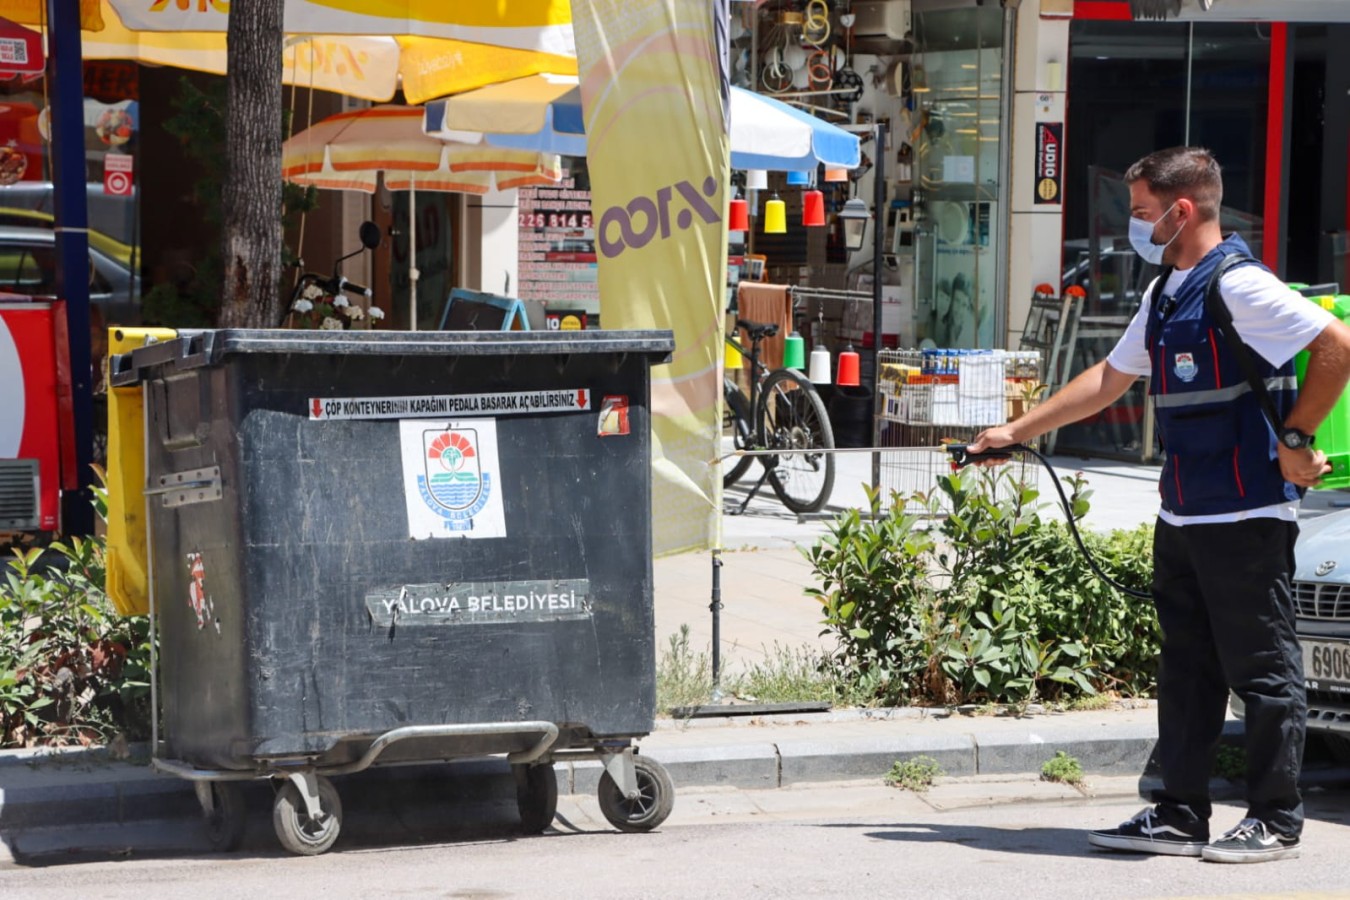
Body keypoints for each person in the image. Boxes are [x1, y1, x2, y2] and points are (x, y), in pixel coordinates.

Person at [970, 146, 1350, 864]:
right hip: (1183, 512)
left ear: (1181, 211)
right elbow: (1110, 379)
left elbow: (1337, 344)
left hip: (1245, 514)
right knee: (1188, 671)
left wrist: (1296, 436)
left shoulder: (1237, 285)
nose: (1132, 228)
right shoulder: (1168, 291)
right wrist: (1016, 431)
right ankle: (1177, 812)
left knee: (1263, 671)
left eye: (1142, 213)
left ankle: (1275, 818)